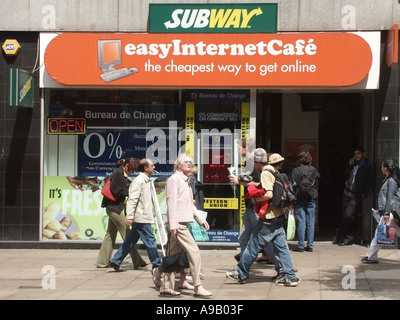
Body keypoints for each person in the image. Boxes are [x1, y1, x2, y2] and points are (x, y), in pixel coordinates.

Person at [225, 151, 300, 287]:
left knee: (252, 246)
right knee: (282, 248)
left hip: (269, 217)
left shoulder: (266, 173)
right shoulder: (275, 171)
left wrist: (254, 200)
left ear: (257, 162)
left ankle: (240, 273)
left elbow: (269, 194)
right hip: (278, 216)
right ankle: (290, 276)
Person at [160, 154, 213, 297]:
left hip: (181, 222)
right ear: (178, 165)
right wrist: (173, 223)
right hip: (178, 224)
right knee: (194, 252)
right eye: (186, 162)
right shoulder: (174, 180)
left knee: (173, 255)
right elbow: (171, 203)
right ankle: (197, 286)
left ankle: (164, 284)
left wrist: (200, 219)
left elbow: (189, 204)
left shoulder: (186, 180)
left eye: (191, 162)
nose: (190, 164)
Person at [108, 158, 162, 285]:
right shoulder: (139, 181)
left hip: (143, 216)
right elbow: (132, 200)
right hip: (141, 217)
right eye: (152, 165)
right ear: (145, 168)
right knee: (150, 241)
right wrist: (130, 216)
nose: (154, 167)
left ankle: (116, 261)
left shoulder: (146, 180)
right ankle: (157, 265)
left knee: (130, 241)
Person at [96, 158, 148, 269]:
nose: (131, 172)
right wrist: (130, 191)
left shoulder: (121, 173)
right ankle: (137, 261)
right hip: (114, 208)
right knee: (127, 233)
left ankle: (102, 261)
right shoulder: (119, 173)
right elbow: (115, 190)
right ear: (126, 166)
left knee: (110, 235)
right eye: (131, 170)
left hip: (113, 207)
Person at [228, 138, 262, 262]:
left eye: (239, 147)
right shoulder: (247, 162)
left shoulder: (253, 162)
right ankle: (243, 264)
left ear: (245, 148)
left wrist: (239, 181)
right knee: (243, 238)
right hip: (250, 205)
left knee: (264, 239)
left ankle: (284, 267)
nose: (237, 149)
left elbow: (258, 183)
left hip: (255, 205)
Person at [362, 160, 400, 264]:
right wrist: (381, 210)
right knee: (382, 234)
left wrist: (386, 212)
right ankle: (371, 256)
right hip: (390, 212)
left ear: (386, 168)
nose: (381, 168)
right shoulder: (388, 179)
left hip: (390, 213)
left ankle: (371, 257)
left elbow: (389, 198)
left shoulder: (391, 181)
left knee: (378, 234)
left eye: (382, 166)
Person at [333, 147, 372, 246]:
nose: (356, 156)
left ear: (363, 154)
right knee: (348, 216)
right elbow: (345, 175)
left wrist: (364, 194)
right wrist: (349, 165)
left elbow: (369, 182)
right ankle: (349, 237)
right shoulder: (354, 165)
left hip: (356, 194)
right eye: (355, 154)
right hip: (347, 192)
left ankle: (340, 235)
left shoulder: (366, 167)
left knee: (348, 215)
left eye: (358, 153)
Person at [291, 151, 321, 252]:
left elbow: (293, 185)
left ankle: (300, 246)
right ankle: (310, 245)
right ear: (310, 160)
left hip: (299, 198)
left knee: (301, 222)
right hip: (311, 198)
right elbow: (317, 180)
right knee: (310, 222)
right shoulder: (313, 170)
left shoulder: (295, 170)